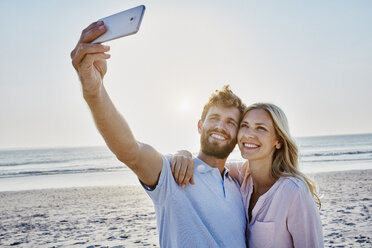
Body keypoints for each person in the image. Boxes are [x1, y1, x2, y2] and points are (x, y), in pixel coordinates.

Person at [70, 21, 247, 247]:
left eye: (230, 122)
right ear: (200, 125)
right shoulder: (173, 174)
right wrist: (94, 91)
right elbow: (130, 151)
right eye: (214, 118)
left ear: (239, 133)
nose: (221, 126)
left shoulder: (240, 183)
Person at [172, 103, 324, 248]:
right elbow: (208, 164)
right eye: (244, 126)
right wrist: (183, 154)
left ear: (278, 141)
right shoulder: (241, 174)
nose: (249, 134)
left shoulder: (294, 191)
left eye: (261, 128)